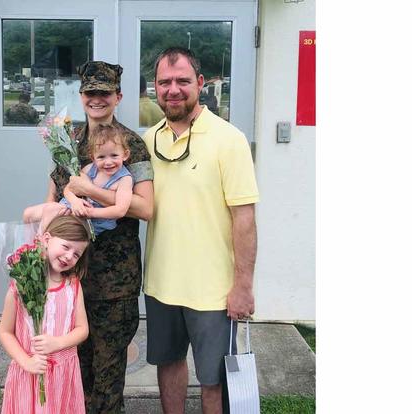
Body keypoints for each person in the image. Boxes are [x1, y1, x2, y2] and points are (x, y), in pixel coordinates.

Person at [142, 47, 259, 414]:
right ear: (155, 88)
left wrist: (242, 286)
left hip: (213, 291)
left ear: (200, 84)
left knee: (214, 380)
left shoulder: (229, 139)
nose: (173, 89)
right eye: (164, 82)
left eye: (182, 81)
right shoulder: (147, 141)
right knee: (168, 364)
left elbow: (244, 218)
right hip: (161, 284)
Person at [48, 61, 154, 413]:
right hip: (71, 276)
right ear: (81, 97)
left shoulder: (131, 145)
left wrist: (91, 190)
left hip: (114, 281)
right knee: (74, 369)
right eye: (90, 92)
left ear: (118, 96)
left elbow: (145, 208)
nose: (97, 99)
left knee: (108, 378)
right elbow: (52, 199)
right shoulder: (68, 141)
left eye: (104, 93)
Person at [0, 215, 91, 414]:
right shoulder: (22, 284)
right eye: (66, 247)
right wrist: (26, 362)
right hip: (30, 371)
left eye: (77, 254)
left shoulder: (73, 285)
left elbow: (83, 329)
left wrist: (58, 343)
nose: (69, 256)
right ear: (47, 239)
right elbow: (5, 332)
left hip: (62, 375)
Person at [23, 124, 133, 237]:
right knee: (28, 214)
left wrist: (89, 213)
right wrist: (74, 201)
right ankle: (30, 247)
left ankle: (41, 242)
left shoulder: (124, 179)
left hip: (92, 221)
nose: (108, 162)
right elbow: (68, 189)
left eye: (114, 155)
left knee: (51, 219)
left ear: (125, 155)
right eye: (101, 157)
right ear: (93, 157)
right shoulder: (90, 169)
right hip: (71, 207)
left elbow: (120, 210)